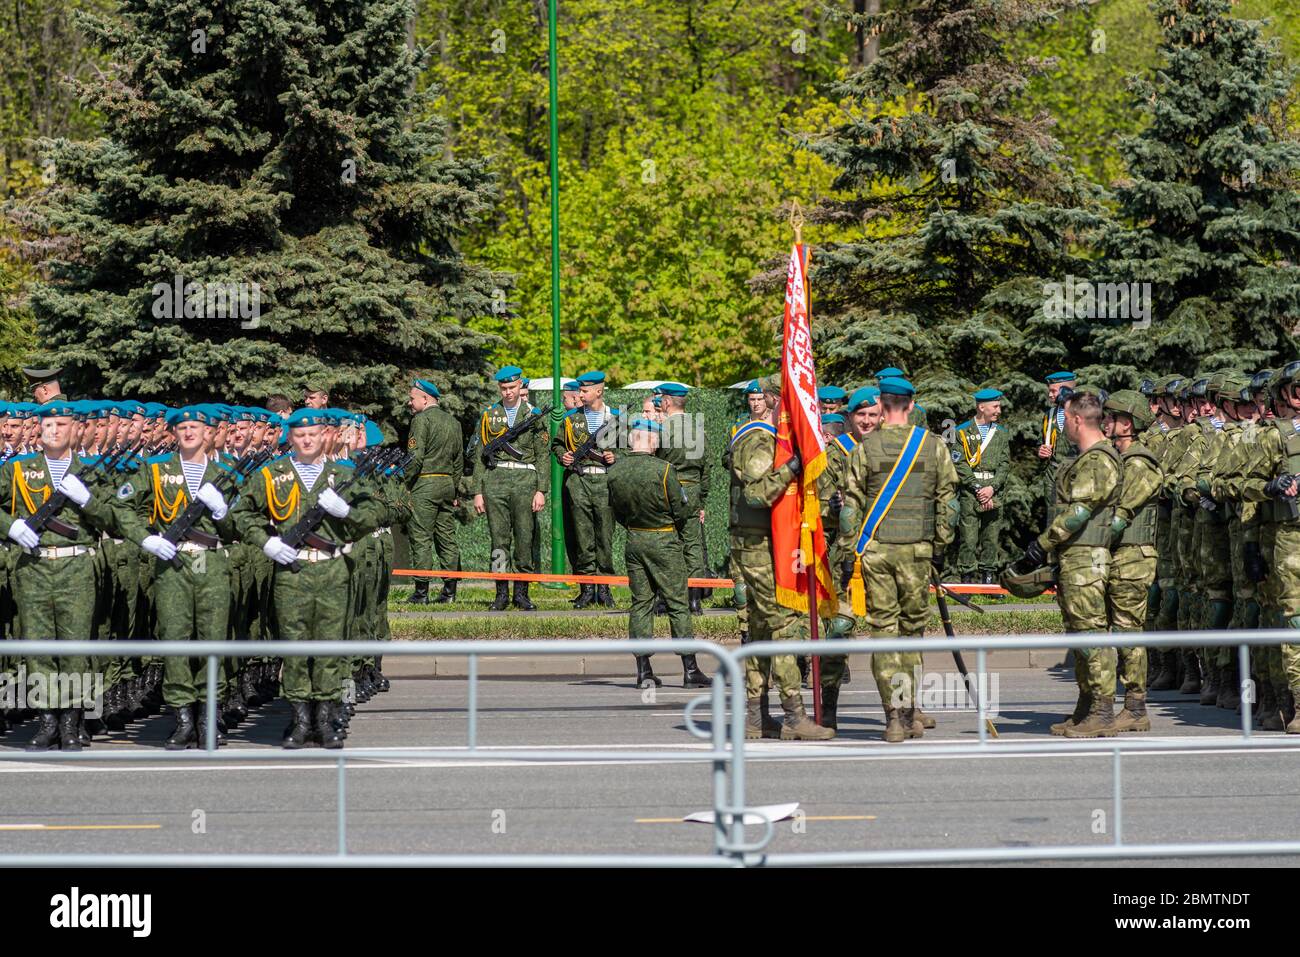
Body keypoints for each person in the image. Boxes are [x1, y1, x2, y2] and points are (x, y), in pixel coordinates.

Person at [231, 409, 382, 748]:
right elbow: (241, 514)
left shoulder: (343, 474)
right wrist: (267, 543)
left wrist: (347, 512)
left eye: (313, 433)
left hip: (331, 568)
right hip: (292, 569)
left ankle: (324, 721)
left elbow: (373, 515)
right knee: (295, 646)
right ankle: (299, 720)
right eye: (300, 435)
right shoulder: (273, 475)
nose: (307, 439)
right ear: (291, 438)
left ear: (325, 436)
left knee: (329, 645)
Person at [832, 376, 959, 741]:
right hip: (918, 552)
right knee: (912, 634)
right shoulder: (932, 446)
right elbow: (949, 503)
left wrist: (847, 552)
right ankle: (907, 710)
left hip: (875, 553)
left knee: (884, 632)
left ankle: (893, 719)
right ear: (911, 403)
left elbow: (849, 509)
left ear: (883, 406)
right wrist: (939, 548)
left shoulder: (864, 449)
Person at [111, 406, 241, 748]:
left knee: (213, 642)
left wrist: (223, 511)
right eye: (182, 427)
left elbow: (242, 524)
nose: (188, 432)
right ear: (174, 433)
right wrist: (147, 539)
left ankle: (209, 717)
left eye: (195, 427)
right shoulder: (155, 470)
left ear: (209, 432)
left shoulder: (226, 471)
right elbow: (120, 506)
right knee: (175, 640)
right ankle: (182, 718)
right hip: (173, 563)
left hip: (211, 562)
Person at [0, 401, 124, 750]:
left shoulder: (91, 472)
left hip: (76, 566)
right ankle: (46, 721)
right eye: (48, 425)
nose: (53, 431)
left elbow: (115, 520)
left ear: (75, 430)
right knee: (39, 647)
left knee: (75, 648)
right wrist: (12, 527)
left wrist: (88, 501)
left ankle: (72, 721)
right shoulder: (20, 470)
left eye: (61, 425)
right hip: (33, 566)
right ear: (39, 431)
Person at [729, 373, 833, 741]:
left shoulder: (775, 440)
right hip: (755, 548)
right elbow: (757, 494)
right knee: (783, 625)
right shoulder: (756, 439)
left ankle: (756, 718)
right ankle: (794, 716)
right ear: (776, 402)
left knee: (759, 630)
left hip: (766, 545)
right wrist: (792, 467)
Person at [1021, 390, 1123, 738]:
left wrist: (1042, 543)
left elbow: (1078, 513)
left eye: (1065, 418)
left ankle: (1103, 711)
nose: (1063, 425)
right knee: (1081, 636)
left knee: (1093, 635)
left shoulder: (1097, 460)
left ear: (1078, 419)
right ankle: (1087, 705)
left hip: (1086, 557)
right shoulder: (1085, 458)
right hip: (1074, 558)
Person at [607, 418, 708, 689]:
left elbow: (615, 511)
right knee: (677, 603)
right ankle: (690, 668)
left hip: (634, 539)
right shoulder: (664, 470)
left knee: (641, 604)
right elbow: (681, 508)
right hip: (663, 539)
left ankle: (643, 671)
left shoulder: (615, 471)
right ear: (651, 440)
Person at [1102, 390, 1163, 734]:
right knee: (1116, 632)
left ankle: (1136, 706)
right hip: (1118, 555)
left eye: (1111, 418)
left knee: (1128, 632)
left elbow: (1117, 515)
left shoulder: (1140, 463)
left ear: (1127, 423)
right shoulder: (1119, 459)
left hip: (1132, 557)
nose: (1106, 423)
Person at [472, 366, 548, 611]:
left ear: (520, 386)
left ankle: (522, 594)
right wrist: (478, 491)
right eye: (503, 388)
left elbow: (543, 456)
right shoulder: (489, 414)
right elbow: (479, 456)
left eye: (512, 388)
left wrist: (541, 490)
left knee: (525, 538)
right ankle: (501, 593)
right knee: (498, 539)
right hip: (495, 481)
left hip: (525, 481)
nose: (508, 392)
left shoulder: (533, 414)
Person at [554, 370, 618, 608]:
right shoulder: (571, 419)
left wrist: (616, 456)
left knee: (604, 536)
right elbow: (557, 444)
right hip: (578, 481)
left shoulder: (615, 418)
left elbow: (630, 447)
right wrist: (564, 457)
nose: (580, 394)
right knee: (582, 537)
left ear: (599, 391)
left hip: (605, 482)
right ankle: (586, 587)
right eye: (580, 390)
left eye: (584, 390)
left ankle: (604, 588)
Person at [403, 378, 464, 605]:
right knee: (447, 538)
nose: (410, 403)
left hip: (425, 484)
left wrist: (406, 484)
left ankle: (421, 593)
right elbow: (459, 461)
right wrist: (454, 488)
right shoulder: (453, 423)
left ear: (425, 398)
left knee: (421, 537)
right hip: (447, 484)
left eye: (412, 398)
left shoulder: (421, 420)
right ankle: (450, 591)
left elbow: (415, 457)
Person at [654, 383, 710, 615]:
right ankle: (694, 600)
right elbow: (707, 468)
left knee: (666, 543)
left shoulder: (663, 429)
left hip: (670, 487)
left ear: (666, 402)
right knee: (693, 545)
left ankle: (666, 599)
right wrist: (702, 500)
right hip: (693, 489)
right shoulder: (699, 430)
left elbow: (656, 463)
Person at [953, 388, 1010, 584]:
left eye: (999, 406)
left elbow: (1005, 464)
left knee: (991, 537)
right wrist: (978, 487)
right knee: (968, 538)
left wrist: (992, 488)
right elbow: (959, 463)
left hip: (994, 491)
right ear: (981, 407)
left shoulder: (1001, 433)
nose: (999, 410)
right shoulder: (961, 432)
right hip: (971, 492)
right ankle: (967, 579)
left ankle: (988, 579)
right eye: (995, 406)